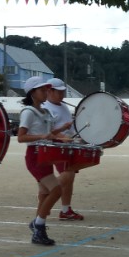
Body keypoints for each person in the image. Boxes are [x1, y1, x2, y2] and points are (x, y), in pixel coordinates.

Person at [17, 76, 74, 246]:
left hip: (46, 155)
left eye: (47, 89)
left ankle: (37, 226)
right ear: (32, 93)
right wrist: (43, 136)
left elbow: (50, 134)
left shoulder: (45, 112)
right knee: (56, 190)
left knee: (44, 194)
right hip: (35, 156)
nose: (46, 93)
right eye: (43, 90)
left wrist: (62, 132)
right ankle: (38, 226)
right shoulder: (28, 112)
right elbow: (21, 137)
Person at [44, 78, 84, 220]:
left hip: (68, 145)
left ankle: (66, 210)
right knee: (68, 174)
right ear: (49, 91)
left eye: (63, 92)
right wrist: (62, 138)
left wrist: (78, 137)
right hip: (56, 145)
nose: (62, 95)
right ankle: (47, 194)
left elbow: (70, 127)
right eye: (59, 92)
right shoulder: (46, 107)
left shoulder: (64, 106)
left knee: (70, 177)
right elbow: (49, 129)